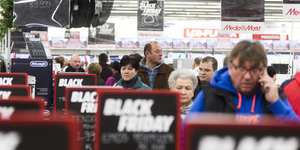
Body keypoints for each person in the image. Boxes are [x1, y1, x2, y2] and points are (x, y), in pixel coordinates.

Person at [186, 41, 299, 124]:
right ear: (230, 67)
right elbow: (184, 134)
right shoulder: (210, 94)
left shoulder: (274, 96)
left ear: (263, 70)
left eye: (254, 70)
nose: (247, 76)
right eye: (241, 69)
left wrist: (276, 103)